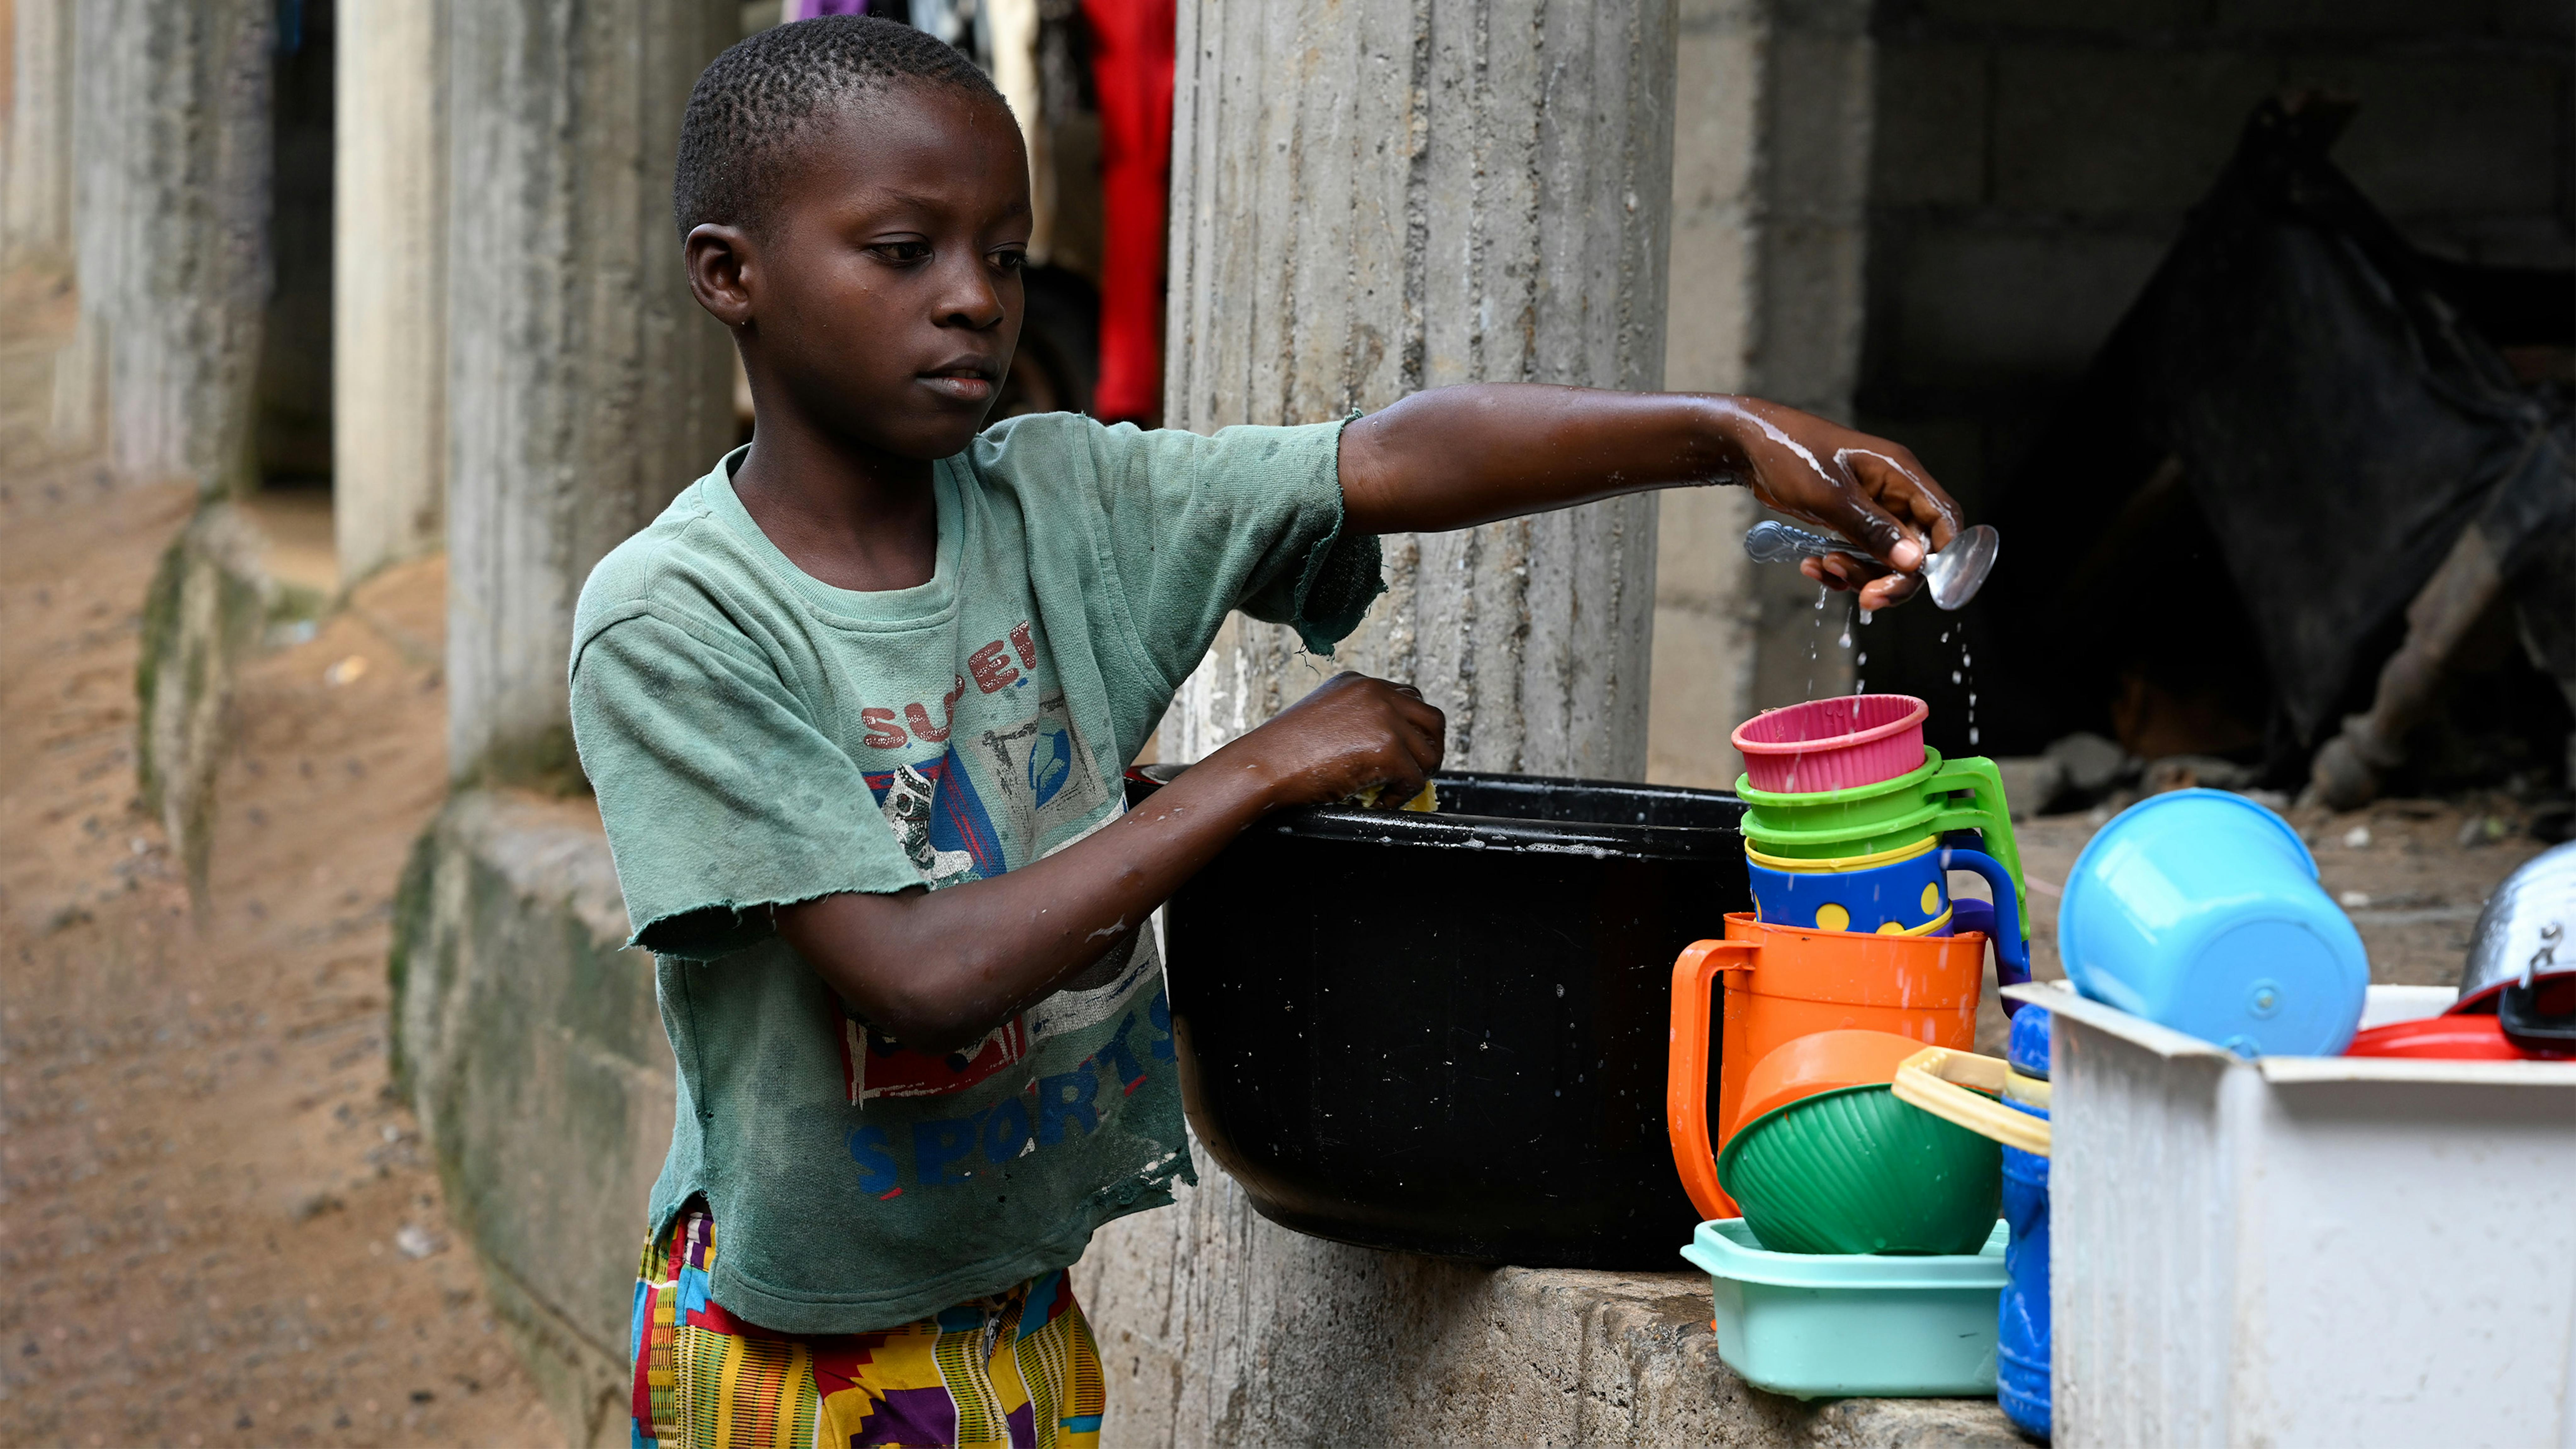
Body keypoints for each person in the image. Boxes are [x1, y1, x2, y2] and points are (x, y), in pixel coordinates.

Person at [581, 16, 1963, 1449]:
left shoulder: (1056, 505)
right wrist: (1258, 769)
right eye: (901, 251)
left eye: (1001, 255)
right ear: (728, 275)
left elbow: (1374, 457)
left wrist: (1722, 431)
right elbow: (917, 978)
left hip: (1013, 1308)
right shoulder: (678, 620)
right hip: (792, 1351)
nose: (974, 301)